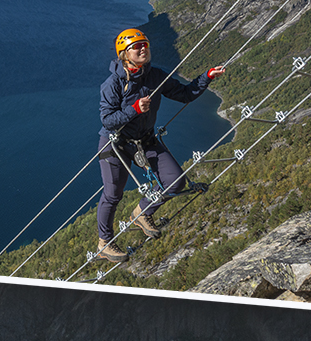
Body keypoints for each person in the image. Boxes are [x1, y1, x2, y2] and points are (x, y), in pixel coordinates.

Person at [94, 29, 226, 262]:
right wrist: (134, 109)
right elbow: (108, 120)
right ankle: (104, 242)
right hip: (115, 144)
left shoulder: (155, 76)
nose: (143, 49)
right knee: (113, 194)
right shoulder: (113, 83)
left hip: (144, 140)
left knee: (175, 181)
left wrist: (207, 77)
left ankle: (143, 212)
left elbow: (185, 94)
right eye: (137, 46)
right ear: (124, 53)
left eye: (145, 44)